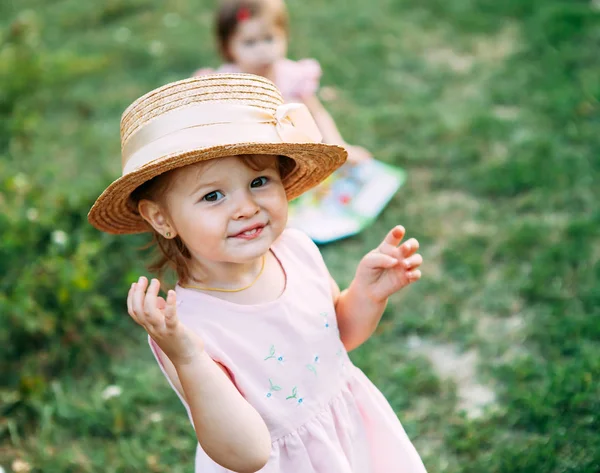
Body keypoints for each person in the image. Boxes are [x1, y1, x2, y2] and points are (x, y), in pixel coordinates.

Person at [88, 74, 426, 473]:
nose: (246, 207)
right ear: (162, 218)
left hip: (346, 436)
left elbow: (338, 339)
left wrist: (367, 295)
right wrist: (189, 356)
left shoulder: (297, 250)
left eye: (259, 181)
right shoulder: (185, 329)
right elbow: (247, 453)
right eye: (213, 195)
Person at [194, 0, 371, 164]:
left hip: (294, 154)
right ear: (227, 47)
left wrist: (338, 144)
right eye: (250, 43)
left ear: (284, 35)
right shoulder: (226, 83)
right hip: (249, 160)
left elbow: (317, 113)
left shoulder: (293, 76)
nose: (262, 50)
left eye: (269, 39)